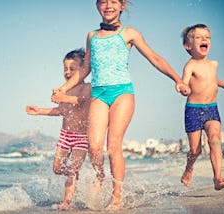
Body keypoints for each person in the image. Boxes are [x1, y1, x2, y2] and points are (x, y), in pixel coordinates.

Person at [51, 0, 190, 210]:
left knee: (113, 144)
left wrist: (178, 80)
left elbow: (154, 58)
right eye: (103, 1)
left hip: (122, 92)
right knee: (94, 146)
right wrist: (63, 88)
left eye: (114, 1)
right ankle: (101, 175)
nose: (108, 5)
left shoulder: (129, 33)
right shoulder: (92, 36)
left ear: (122, 5)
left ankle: (117, 196)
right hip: (99, 93)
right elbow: (85, 68)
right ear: (97, 6)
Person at [26, 48, 91, 210]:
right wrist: (39, 110)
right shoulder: (65, 89)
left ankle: (66, 202)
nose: (68, 72)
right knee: (57, 169)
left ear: (82, 71)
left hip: (82, 137)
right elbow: (60, 111)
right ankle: (75, 177)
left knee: (72, 170)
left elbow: (82, 102)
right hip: (65, 135)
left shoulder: (87, 88)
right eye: (65, 69)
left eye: (72, 69)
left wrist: (64, 97)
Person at [180, 24, 224, 191]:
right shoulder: (190, 65)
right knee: (195, 150)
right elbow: (185, 82)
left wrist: (222, 84)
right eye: (198, 37)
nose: (204, 39)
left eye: (207, 37)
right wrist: (183, 88)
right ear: (188, 46)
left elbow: (212, 78)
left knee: (215, 140)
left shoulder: (213, 64)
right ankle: (189, 168)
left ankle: (217, 178)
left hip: (212, 109)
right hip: (193, 110)